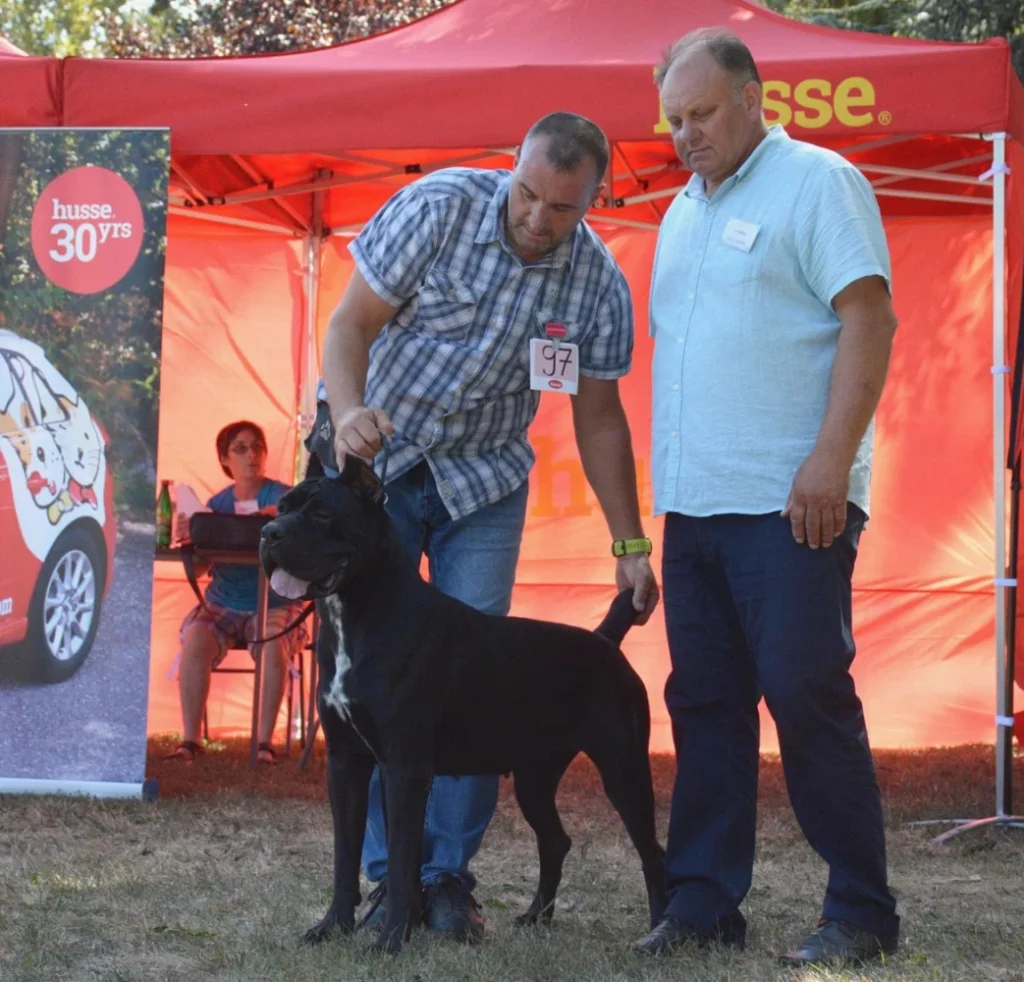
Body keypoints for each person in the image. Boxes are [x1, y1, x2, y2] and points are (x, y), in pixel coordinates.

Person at [311, 111, 659, 943]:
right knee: (370, 687)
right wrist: (350, 409)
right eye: (529, 195)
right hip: (377, 468)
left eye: (563, 209)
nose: (538, 221)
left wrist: (630, 544)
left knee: (469, 685)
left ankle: (443, 881)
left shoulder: (598, 285)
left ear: (595, 201)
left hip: (484, 483)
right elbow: (349, 325)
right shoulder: (436, 209)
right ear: (513, 168)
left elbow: (600, 421)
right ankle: (383, 881)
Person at [634, 29, 900, 967]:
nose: (687, 135)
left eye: (702, 114)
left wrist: (832, 461)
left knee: (804, 692)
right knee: (704, 701)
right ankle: (704, 901)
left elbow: (869, 317)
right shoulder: (677, 214)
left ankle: (862, 912)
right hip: (694, 506)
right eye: (675, 120)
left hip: (793, 501)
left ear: (752, 98)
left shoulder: (820, 181)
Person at [166, 420, 309, 765]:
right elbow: (198, 568)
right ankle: (190, 741)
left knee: (273, 643)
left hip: (277, 601)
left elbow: (307, 532)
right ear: (224, 459)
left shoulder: (286, 497)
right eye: (241, 448)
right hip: (224, 601)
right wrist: (189, 535)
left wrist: (281, 517)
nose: (252, 454)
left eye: (257, 446)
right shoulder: (214, 505)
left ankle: (264, 745)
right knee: (196, 640)